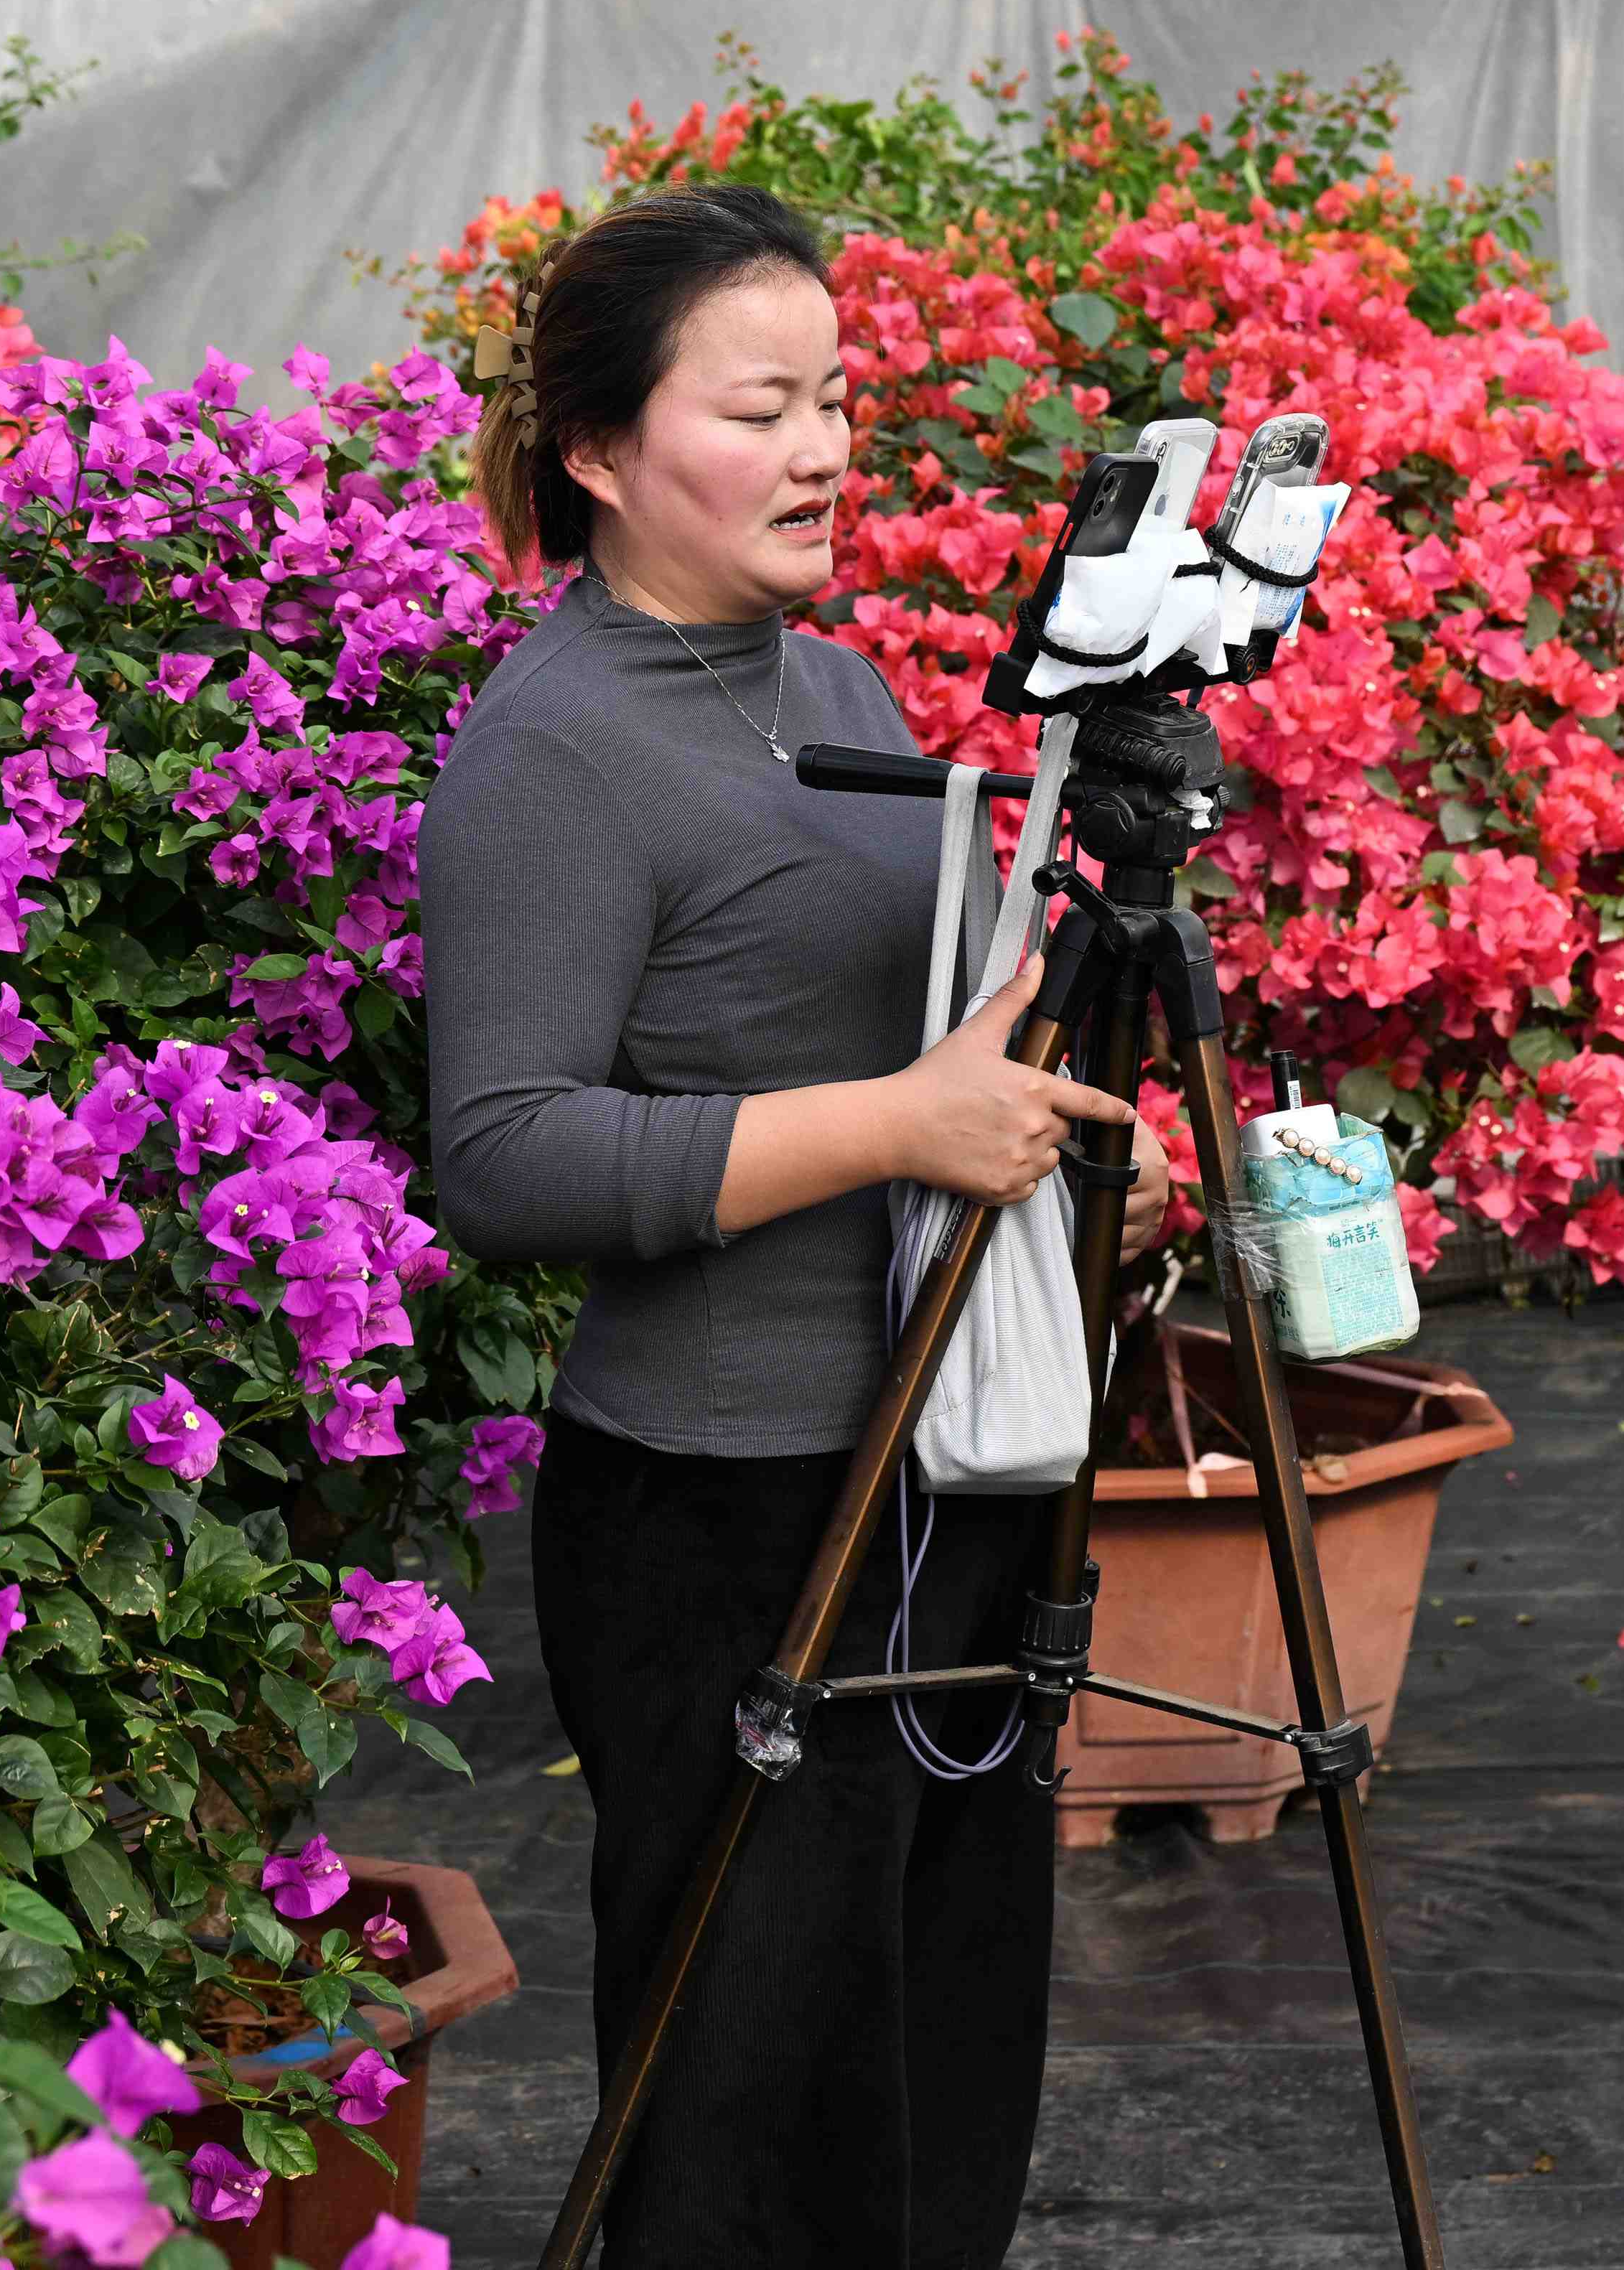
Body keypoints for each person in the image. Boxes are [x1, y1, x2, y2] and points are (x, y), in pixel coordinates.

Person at [419, 182, 1166, 2264]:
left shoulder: (825, 688)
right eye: (764, 407)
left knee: (936, 2057)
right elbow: (507, 1158)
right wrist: (899, 1125)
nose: (828, 447)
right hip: (721, 1520)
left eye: (837, 397)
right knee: (749, 2103)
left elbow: (911, 1035)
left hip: (940, 1467)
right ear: (596, 452)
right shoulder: (551, 755)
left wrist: (1038, 1102)